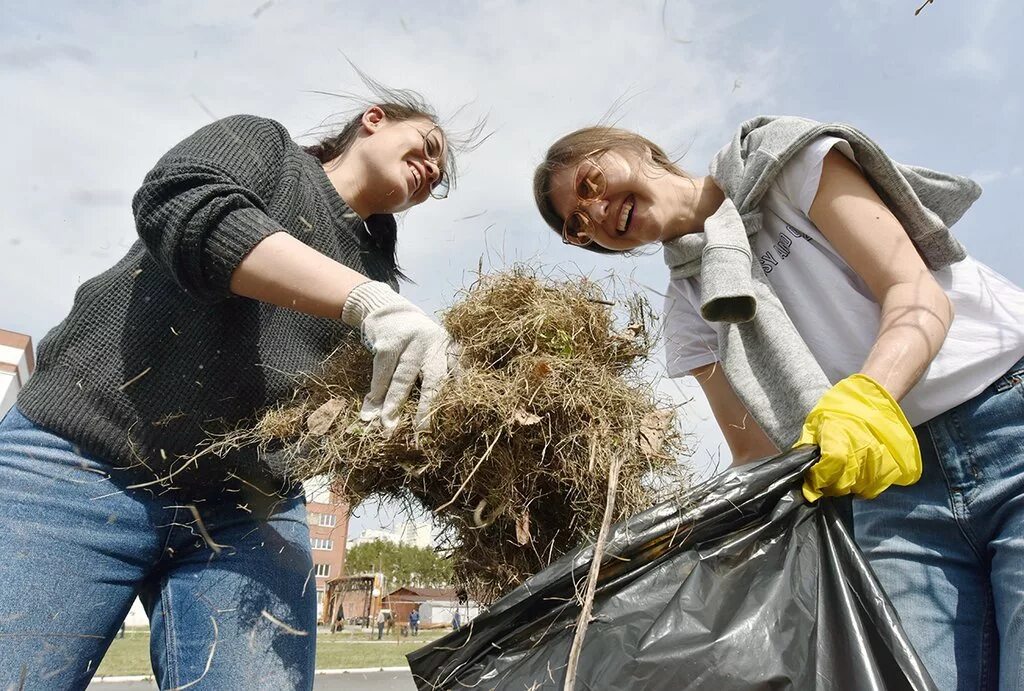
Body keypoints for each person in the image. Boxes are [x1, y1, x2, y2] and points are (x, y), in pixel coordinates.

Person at [0, 82, 466, 690]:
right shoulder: (265, 148)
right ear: (372, 121)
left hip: (250, 512)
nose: (433, 169)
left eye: (441, 176)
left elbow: (333, 412)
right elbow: (185, 208)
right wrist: (359, 299)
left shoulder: (381, 282)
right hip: (81, 459)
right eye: (429, 145)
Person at [533, 117, 1024, 690]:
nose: (592, 216)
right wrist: (658, 557)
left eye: (589, 184)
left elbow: (915, 292)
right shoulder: (690, 307)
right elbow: (755, 454)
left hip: (1005, 420)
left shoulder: (781, 164)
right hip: (888, 497)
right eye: (575, 226)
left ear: (638, 150)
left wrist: (868, 398)